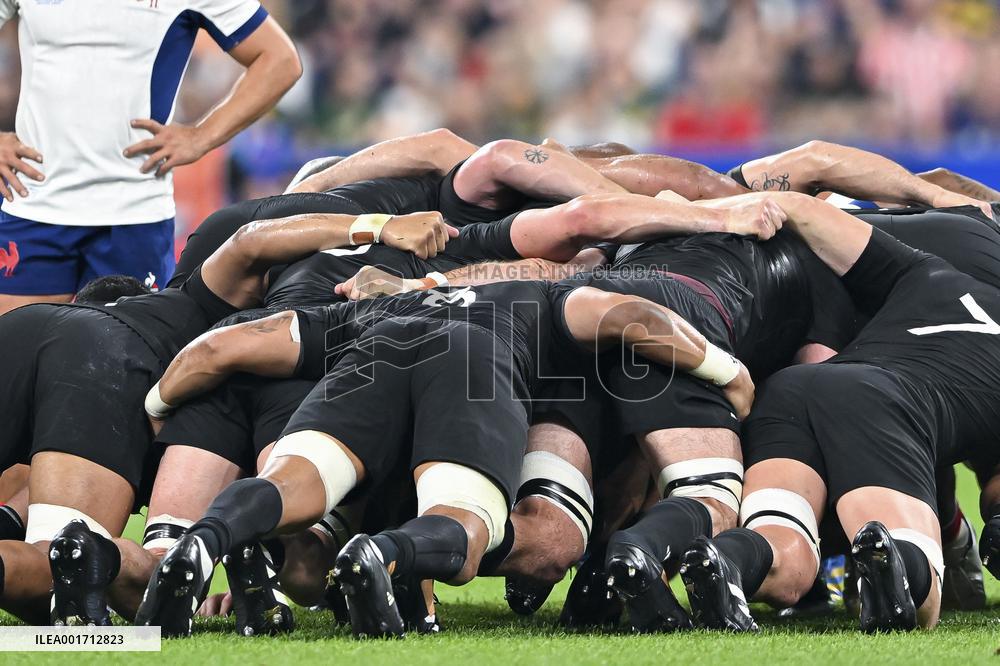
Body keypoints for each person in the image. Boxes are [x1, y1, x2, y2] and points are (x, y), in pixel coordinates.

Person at [0, 205, 452, 626]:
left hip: (19, 327)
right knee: (62, 575)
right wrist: (378, 224)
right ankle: (267, 559)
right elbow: (249, 242)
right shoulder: (193, 303)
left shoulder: (91, 324)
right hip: (113, 360)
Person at [676, 191, 1000, 632]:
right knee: (918, 592)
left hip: (794, 389)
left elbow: (803, 209)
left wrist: (697, 210)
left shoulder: (931, 272)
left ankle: (728, 558)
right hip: (882, 401)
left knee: (783, 547)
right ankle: (895, 564)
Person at [0, 0, 302, 315]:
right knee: (14, 357)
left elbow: (279, 59)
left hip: (134, 214)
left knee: (123, 359)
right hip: (34, 204)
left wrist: (202, 136)